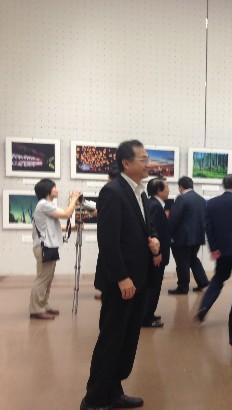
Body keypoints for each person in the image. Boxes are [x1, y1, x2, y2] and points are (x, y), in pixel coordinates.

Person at [81, 140, 160, 410]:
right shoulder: (113, 192)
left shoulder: (140, 193)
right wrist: (121, 277)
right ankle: (93, 400)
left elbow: (142, 230)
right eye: (143, 159)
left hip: (138, 280)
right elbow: (108, 241)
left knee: (127, 341)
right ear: (126, 163)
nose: (148, 163)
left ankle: (114, 392)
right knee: (111, 340)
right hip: (121, 282)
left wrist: (153, 241)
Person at [195, 174, 232, 322]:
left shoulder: (211, 203)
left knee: (218, 278)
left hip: (222, 250)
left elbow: (208, 228)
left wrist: (214, 248)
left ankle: (204, 306)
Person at [30, 179, 80, 320]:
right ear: (47, 190)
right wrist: (74, 199)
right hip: (44, 247)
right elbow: (66, 214)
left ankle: (44, 305)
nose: (57, 190)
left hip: (49, 246)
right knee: (42, 279)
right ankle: (36, 309)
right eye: (54, 187)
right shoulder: (43, 204)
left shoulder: (47, 205)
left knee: (48, 279)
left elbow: (52, 226)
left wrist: (72, 227)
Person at [168, 176, 209, 294]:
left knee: (182, 262)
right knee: (192, 259)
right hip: (197, 237)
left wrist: (169, 234)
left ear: (180, 187)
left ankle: (183, 287)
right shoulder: (201, 199)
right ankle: (203, 282)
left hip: (182, 238)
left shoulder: (181, 198)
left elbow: (174, 218)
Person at [142, 177, 171, 328]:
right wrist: (156, 253)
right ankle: (146, 318)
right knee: (153, 286)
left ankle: (148, 314)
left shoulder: (153, 204)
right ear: (159, 190)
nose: (169, 190)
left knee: (153, 286)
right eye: (166, 187)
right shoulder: (154, 206)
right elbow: (152, 232)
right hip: (156, 255)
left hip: (157, 253)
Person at [95, 165, 120, 301]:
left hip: (112, 238)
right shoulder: (115, 190)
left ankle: (106, 291)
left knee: (107, 264)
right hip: (113, 238)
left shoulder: (109, 190)